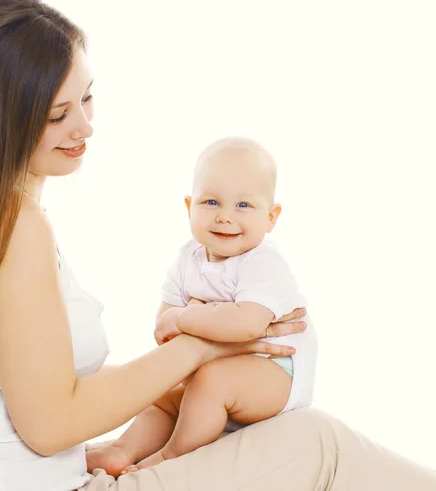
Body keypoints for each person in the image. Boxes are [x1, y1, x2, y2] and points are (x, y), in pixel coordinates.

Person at [0, 0, 436, 491]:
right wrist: (206, 344)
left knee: (234, 422)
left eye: (88, 99)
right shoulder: (14, 227)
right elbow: (51, 425)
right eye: (58, 113)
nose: (85, 127)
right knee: (320, 444)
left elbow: (37, 404)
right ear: (0, 122)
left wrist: (173, 391)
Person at [87, 137, 318, 476]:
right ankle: (123, 449)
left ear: (271, 217)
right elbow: (163, 329)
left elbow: (248, 325)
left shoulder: (262, 263)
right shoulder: (188, 258)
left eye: (243, 206)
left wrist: (186, 316)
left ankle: (171, 457)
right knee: (164, 389)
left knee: (212, 380)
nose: (225, 217)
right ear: (189, 206)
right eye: (211, 201)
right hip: (221, 367)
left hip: (277, 371)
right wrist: (184, 320)